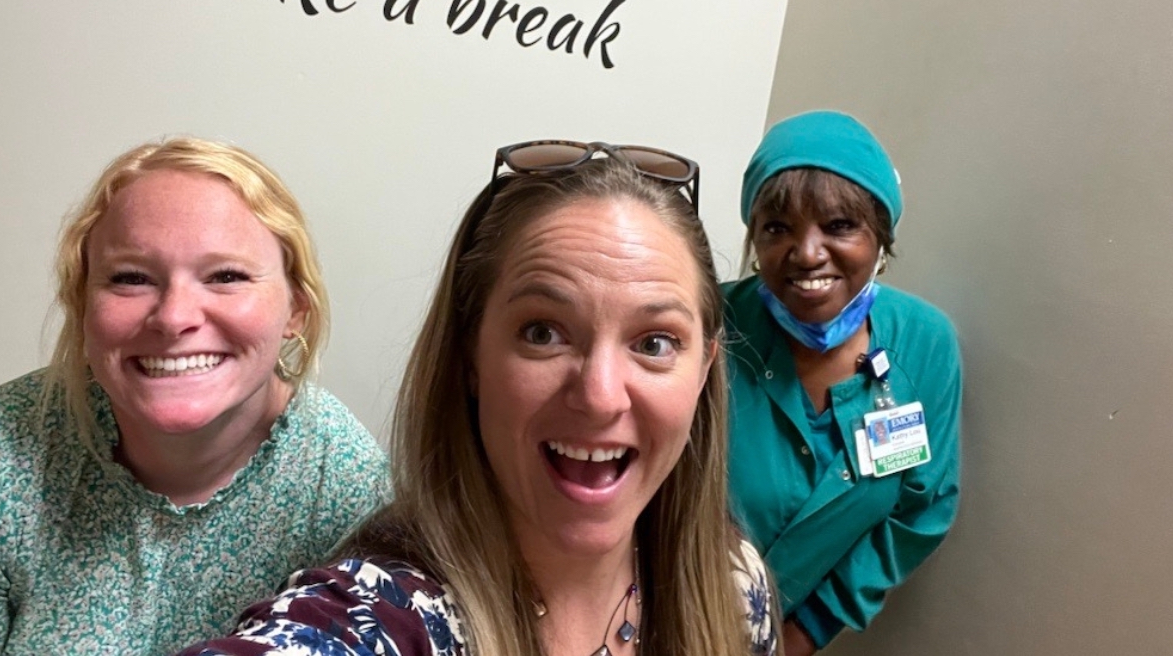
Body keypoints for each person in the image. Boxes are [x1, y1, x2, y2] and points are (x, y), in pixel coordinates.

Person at [176, 141, 775, 656]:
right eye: (543, 333)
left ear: (704, 371)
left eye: (654, 342)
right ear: (469, 359)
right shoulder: (391, 615)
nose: (598, 397)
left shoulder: (732, 587)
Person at [0, 137, 392, 655]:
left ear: (296, 312)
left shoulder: (347, 490)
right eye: (131, 279)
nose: (173, 317)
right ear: (82, 307)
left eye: (226, 276)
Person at [724, 111, 961, 654]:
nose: (807, 253)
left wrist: (799, 633)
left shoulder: (925, 344)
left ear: (882, 235)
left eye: (839, 225)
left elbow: (922, 508)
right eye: (778, 227)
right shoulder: (707, 324)